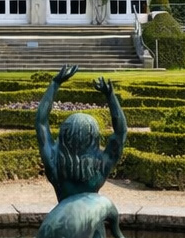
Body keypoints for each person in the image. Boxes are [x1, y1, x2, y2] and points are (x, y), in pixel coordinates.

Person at [34, 65, 127, 201]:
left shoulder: (55, 163)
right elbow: (121, 133)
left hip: (63, 218)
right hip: (92, 220)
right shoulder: (100, 165)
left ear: (64, 134)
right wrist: (110, 96)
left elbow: (40, 123)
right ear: (94, 137)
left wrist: (55, 83)